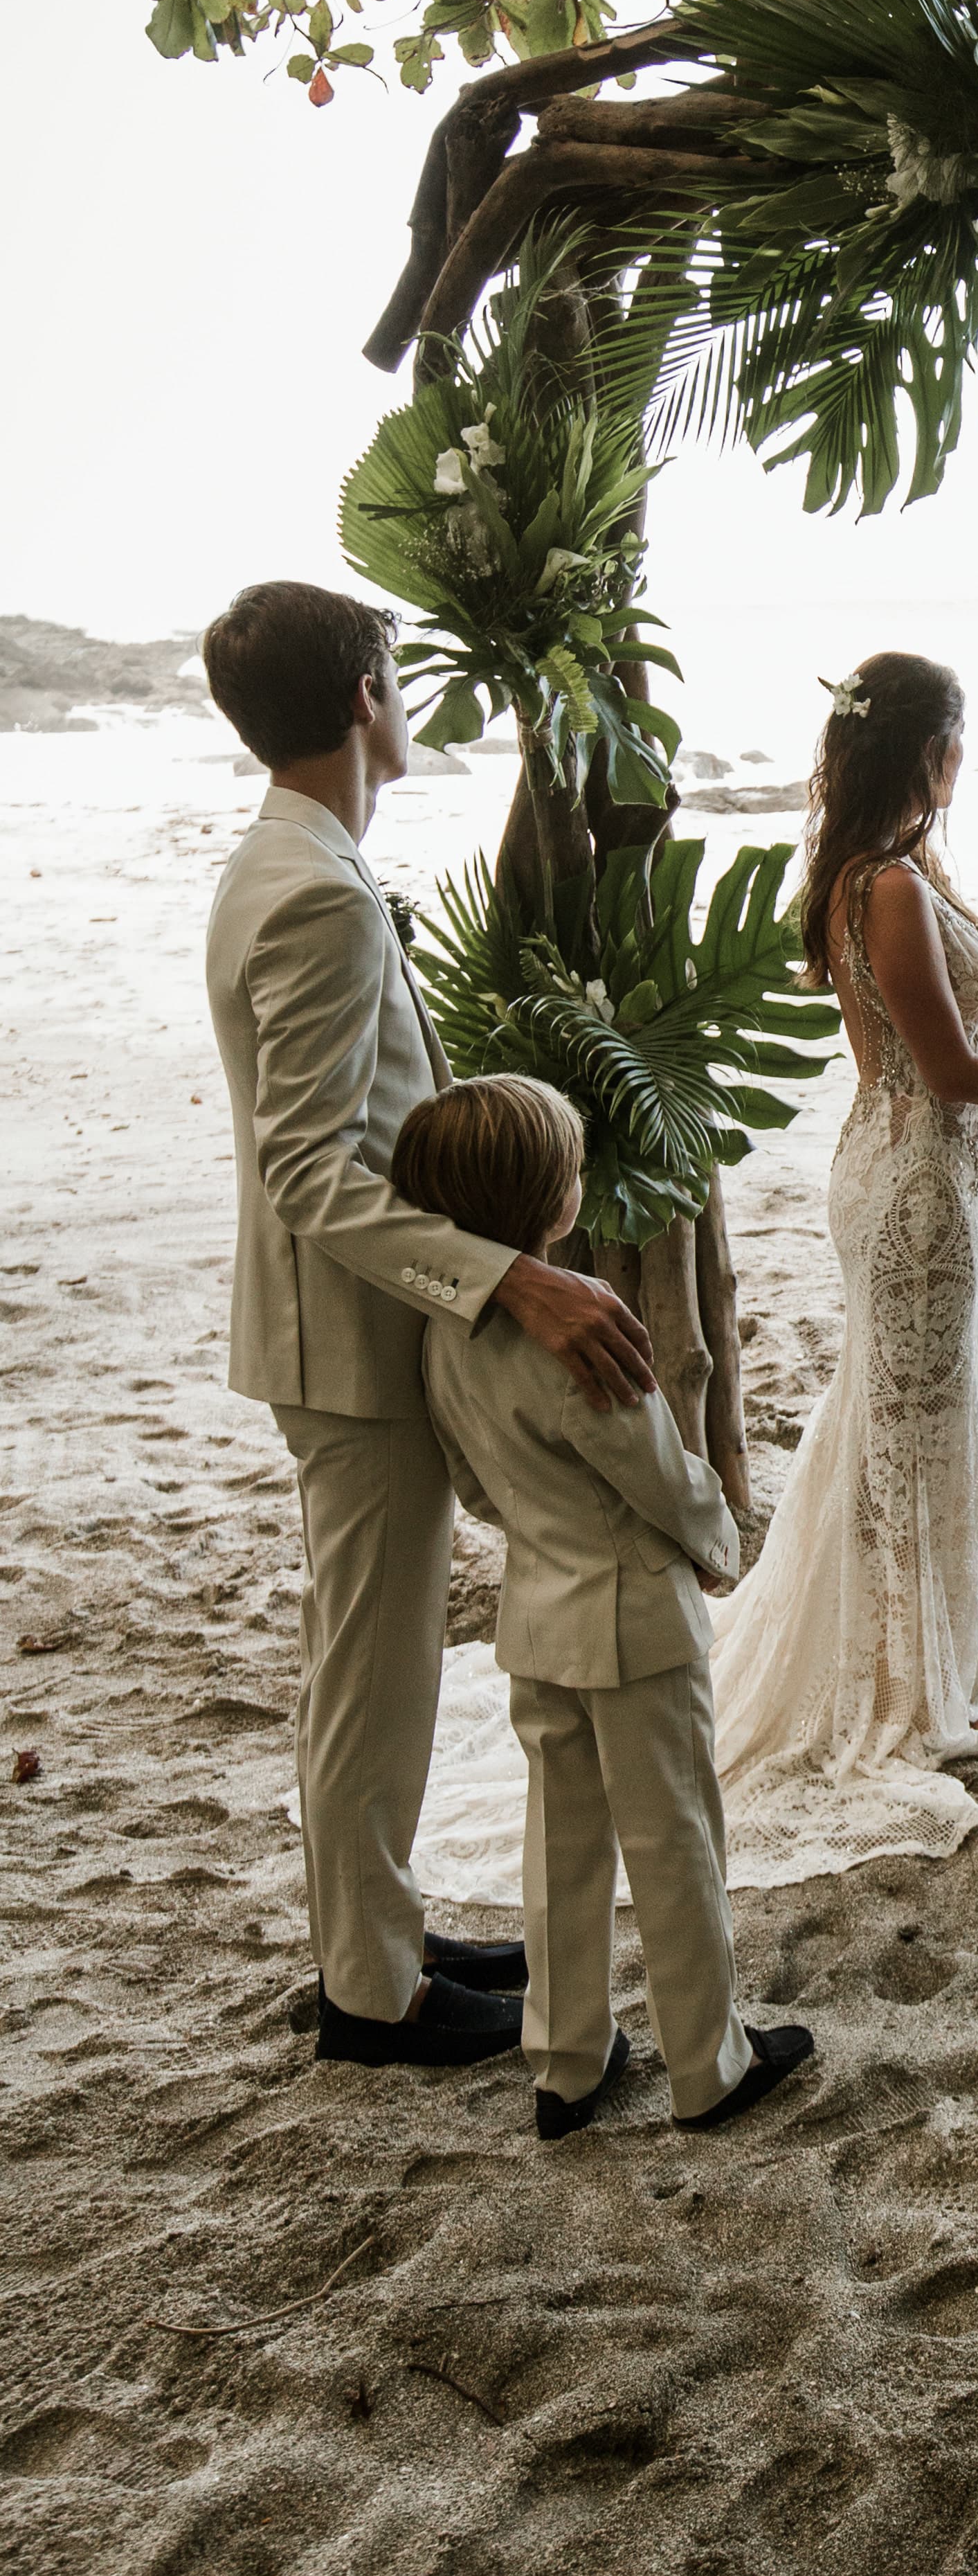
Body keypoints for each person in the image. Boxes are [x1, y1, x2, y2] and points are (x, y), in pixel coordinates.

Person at [201, 581, 656, 2072]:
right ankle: (369, 1995)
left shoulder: (290, 858)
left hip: (338, 1323)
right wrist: (509, 1274)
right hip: (348, 1335)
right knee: (376, 1660)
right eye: (395, 677)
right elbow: (309, 1164)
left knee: (364, 1649)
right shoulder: (320, 889)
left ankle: (374, 1932)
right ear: (363, 703)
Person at [702, 652, 978, 1878]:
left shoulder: (897, 872)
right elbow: (949, 1068)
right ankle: (901, 1688)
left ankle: (923, 1654)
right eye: (962, 743)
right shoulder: (885, 887)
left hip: (923, 1179)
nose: (965, 762)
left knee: (912, 1415)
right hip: (913, 1189)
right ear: (933, 752)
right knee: (905, 1421)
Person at [395, 1077, 813, 2138]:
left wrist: (543, 1532)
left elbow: (474, 1485)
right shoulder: (579, 1331)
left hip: (536, 1617)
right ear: (552, 1199)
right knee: (674, 1836)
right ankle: (709, 2066)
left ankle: (566, 2061)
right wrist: (717, 1543)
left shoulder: (444, 1336)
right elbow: (657, 1473)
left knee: (560, 1842)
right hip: (633, 1617)